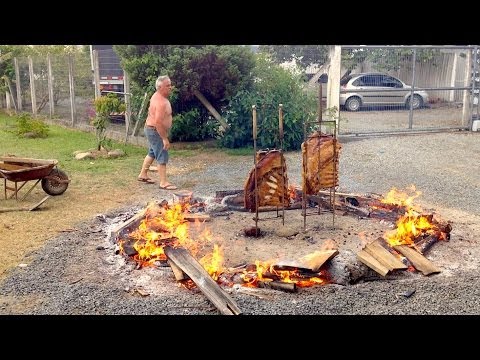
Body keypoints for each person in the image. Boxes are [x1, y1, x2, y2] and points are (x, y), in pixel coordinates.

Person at [137, 75, 178, 190]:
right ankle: (163, 182)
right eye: (168, 86)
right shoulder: (160, 102)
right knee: (162, 154)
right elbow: (158, 122)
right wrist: (164, 138)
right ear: (160, 87)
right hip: (155, 130)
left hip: (151, 129)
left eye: (170, 85)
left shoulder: (156, 96)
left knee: (152, 152)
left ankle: (143, 174)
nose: (170, 87)